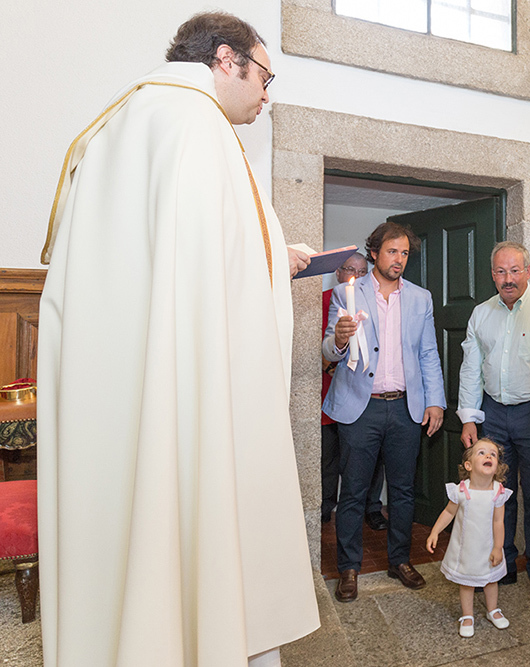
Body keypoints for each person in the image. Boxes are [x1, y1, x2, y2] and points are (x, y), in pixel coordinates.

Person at [36, 12, 318, 666]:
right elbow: (211, 281)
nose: (266, 95)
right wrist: (274, 262)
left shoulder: (116, 125)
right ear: (226, 59)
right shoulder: (198, 126)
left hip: (111, 395)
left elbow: (172, 265)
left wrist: (272, 254)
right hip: (183, 392)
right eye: (265, 76)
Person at [323, 221, 446, 603]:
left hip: (405, 408)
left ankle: (399, 560)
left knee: (403, 491)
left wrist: (435, 401)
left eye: (405, 253)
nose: (399, 259)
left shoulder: (420, 298)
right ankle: (349, 568)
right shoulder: (347, 293)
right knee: (353, 491)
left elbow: (428, 352)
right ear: (374, 253)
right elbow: (328, 350)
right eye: (393, 251)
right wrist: (339, 340)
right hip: (361, 409)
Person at [457, 241, 530, 612]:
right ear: (492, 275)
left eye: (515, 270)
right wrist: (469, 417)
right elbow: (471, 368)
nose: (508, 279)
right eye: (501, 272)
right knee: (497, 495)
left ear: (529, 271)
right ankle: (501, 565)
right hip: (493, 414)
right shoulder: (481, 314)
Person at [321, 252, 388, 530]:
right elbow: (321, 341)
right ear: (338, 273)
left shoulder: (376, 300)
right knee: (329, 458)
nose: (356, 276)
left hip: (365, 394)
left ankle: (372, 507)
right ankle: (325, 506)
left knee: (371, 458)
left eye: (362, 271)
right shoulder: (327, 299)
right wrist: (329, 363)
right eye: (350, 270)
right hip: (333, 391)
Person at [426, 438, 514, 638]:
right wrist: (435, 531)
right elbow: (448, 512)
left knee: (491, 579)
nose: (488, 456)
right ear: (468, 465)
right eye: (481, 453)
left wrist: (498, 547)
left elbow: (498, 521)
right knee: (467, 582)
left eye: (493, 454)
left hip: (488, 546)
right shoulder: (461, 490)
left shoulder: (497, 492)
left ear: (497, 466)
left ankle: (493, 610)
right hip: (466, 548)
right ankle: (467, 616)